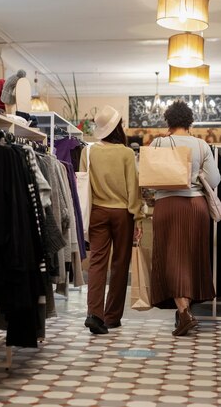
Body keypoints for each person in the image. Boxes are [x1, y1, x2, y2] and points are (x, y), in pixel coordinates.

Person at [149, 100, 221, 337]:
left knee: (170, 257)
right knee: (191, 257)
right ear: (190, 122)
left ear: (168, 122)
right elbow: (214, 180)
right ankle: (184, 313)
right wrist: (196, 173)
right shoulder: (201, 145)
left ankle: (184, 314)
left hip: (167, 205)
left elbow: (147, 177)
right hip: (195, 206)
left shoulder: (158, 142)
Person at [82, 105, 144, 335]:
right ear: (117, 127)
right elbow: (132, 188)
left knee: (97, 262)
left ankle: (93, 314)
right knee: (119, 264)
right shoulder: (126, 153)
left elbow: (83, 185)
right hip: (122, 213)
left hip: (97, 211)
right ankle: (111, 317)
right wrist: (138, 218)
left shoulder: (88, 152)